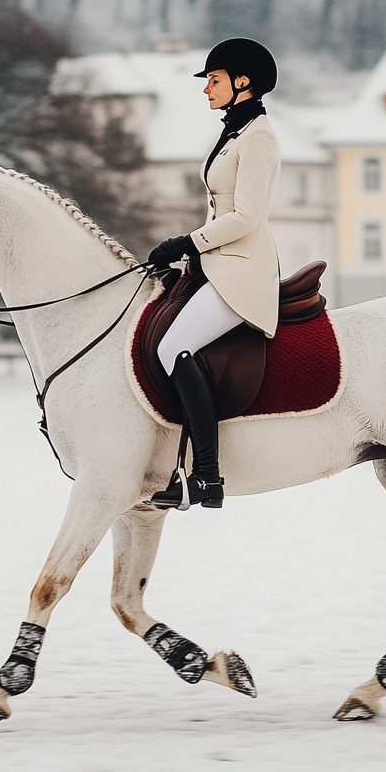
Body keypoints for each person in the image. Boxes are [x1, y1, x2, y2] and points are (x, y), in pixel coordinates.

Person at [145, 38, 281, 510]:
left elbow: (246, 217)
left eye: (215, 80)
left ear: (243, 82)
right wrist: (190, 258)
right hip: (216, 263)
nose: (207, 88)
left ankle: (205, 475)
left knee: (172, 347)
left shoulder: (258, 138)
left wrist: (187, 242)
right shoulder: (236, 132)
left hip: (242, 271)